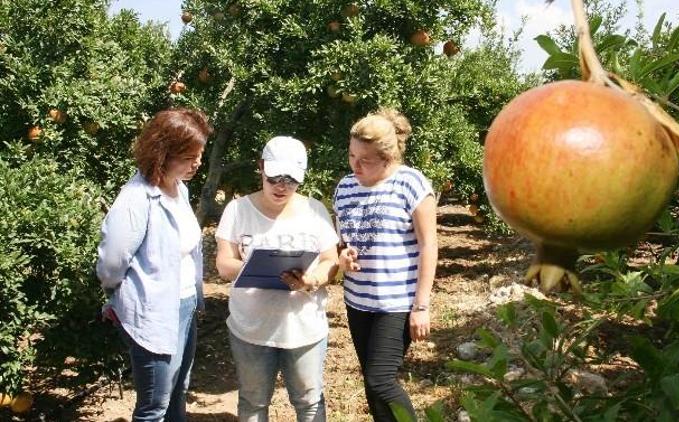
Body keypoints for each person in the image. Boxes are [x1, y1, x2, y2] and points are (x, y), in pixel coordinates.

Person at [96, 108, 213, 421]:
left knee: (178, 388)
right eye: (190, 156)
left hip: (184, 304)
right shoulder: (136, 199)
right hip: (153, 311)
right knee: (154, 406)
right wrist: (119, 297)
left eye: (200, 154)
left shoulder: (179, 189)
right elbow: (111, 263)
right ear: (163, 154)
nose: (197, 163)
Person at [215, 136, 339, 422]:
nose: (282, 186)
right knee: (254, 402)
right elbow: (223, 263)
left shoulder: (315, 211)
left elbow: (330, 260)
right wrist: (255, 267)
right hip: (251, 328)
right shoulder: (238, 210)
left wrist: (311, 280)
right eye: (274, 178)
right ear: (261, 168)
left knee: (309, 401)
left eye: (291, 180)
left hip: (304, 328)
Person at [333, 108, 438, 421]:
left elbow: (428, 244)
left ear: (388, 158)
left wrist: (421, 305)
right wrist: (342, 255)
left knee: (380, 379)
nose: (356, 165)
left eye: (365, 159)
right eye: (352, 155)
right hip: (358, 301)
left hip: (396, 303)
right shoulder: (345, 187)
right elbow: (341, 240)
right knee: (372, 382)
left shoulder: (411, 184)